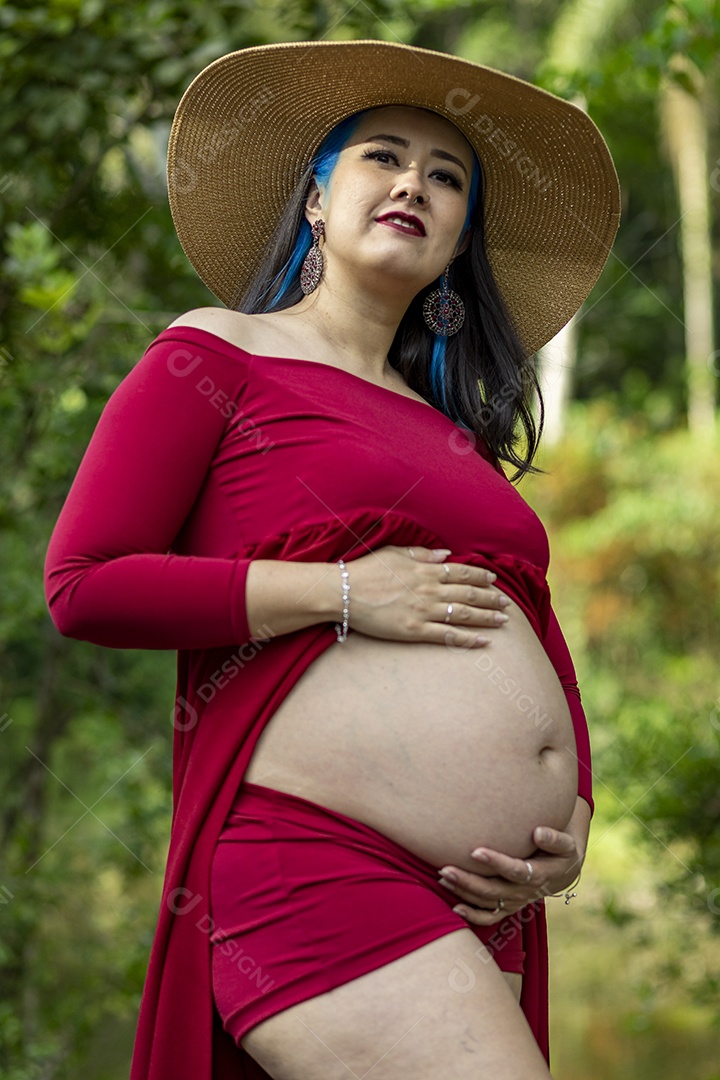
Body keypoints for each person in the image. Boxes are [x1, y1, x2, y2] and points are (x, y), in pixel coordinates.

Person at [43, 39, 620, 1080]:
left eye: (448, 179)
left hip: (479, 891)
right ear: (315, 201)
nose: (415, 184)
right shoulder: (217, 354)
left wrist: (572, 816)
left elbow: (529, 626)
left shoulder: (458, 440)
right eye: (382, 158)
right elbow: (85, 585)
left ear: (458, 242)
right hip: (313, 864)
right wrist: (344, 593)